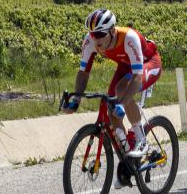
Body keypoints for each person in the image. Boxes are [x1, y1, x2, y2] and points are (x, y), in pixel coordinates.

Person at [63, 9, 162, 177]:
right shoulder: (90, 41)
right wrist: (76, 98)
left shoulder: (128, 38)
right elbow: (83, 73)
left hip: (149, 63)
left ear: (112, 31)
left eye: (100, 34)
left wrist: (123, 104)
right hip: (126, 66)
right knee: (111, 103)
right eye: (93, 34)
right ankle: (127, 154)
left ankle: (140, 138)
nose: (96, 39)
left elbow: (137, 77)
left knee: (121, 92)